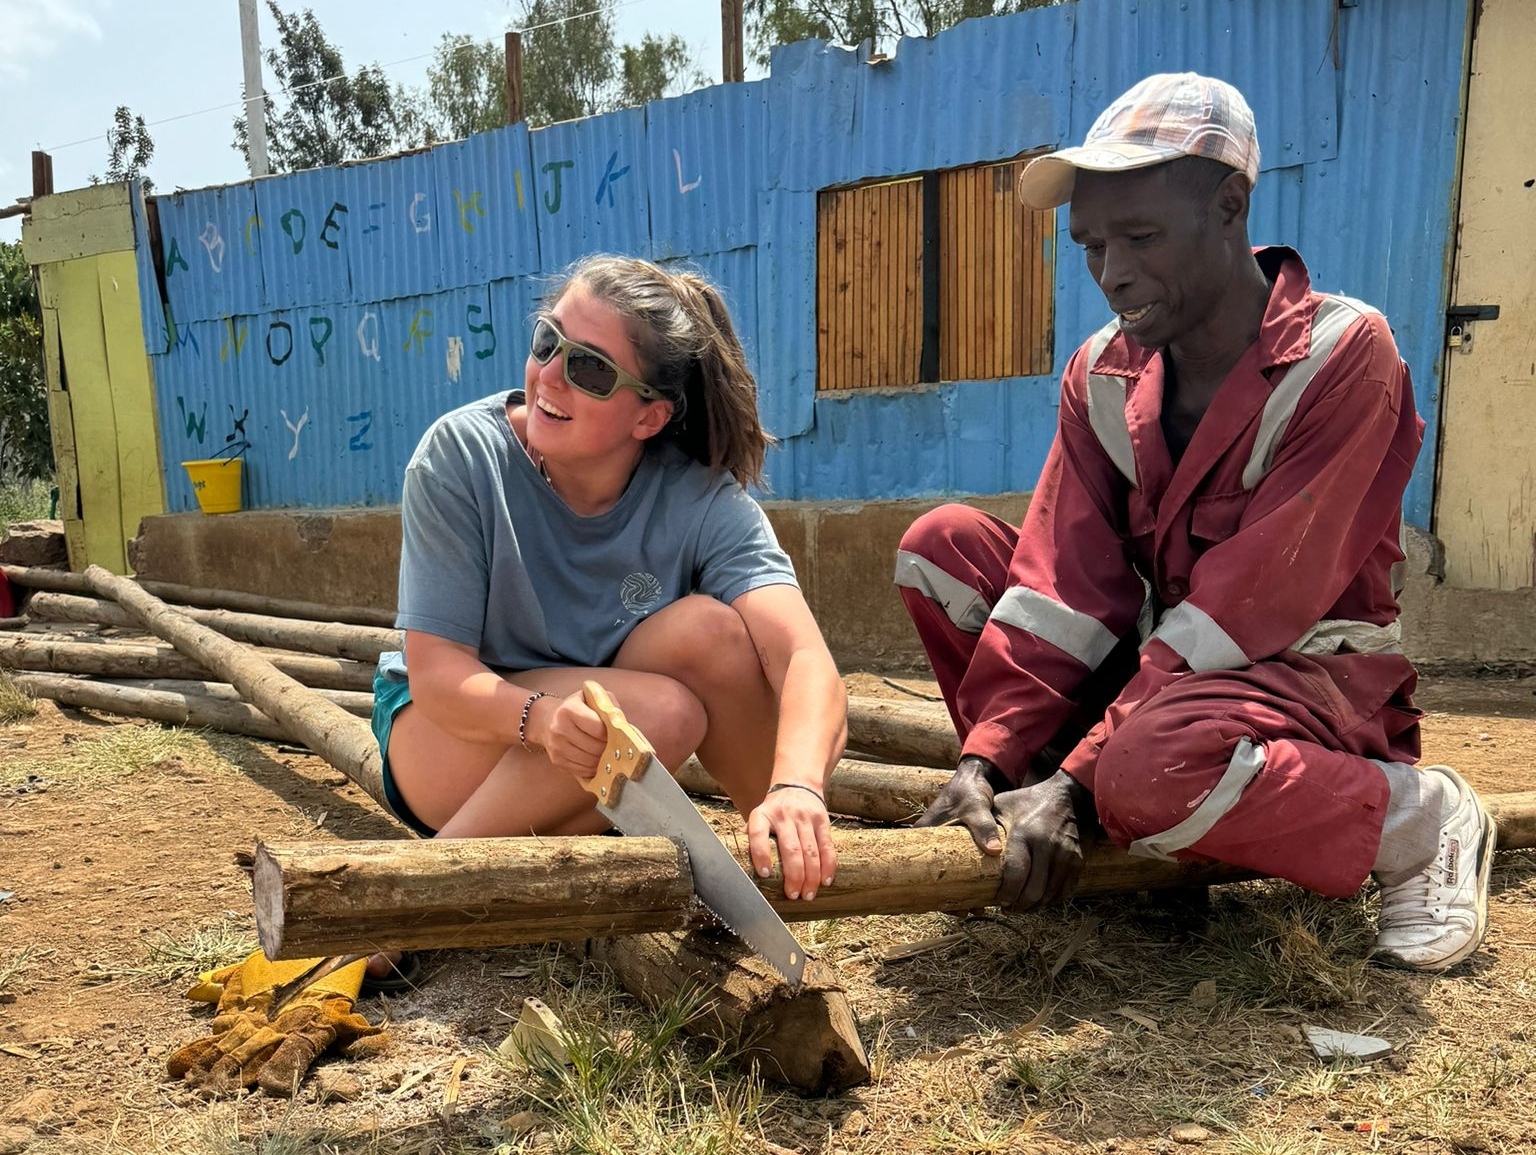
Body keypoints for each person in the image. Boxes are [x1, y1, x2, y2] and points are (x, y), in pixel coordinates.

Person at [895, 72, 1494, 973]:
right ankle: (1080, 824)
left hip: (1300, 672)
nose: (1112, 273)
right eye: (1091, 244)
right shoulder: (1100, 371)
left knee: (1145, 768)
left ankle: (1416, 819)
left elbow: (1245, 607)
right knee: (941, 551)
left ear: (1229, 206)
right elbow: (1063, 583)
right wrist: (989, 760)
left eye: (1140, 237)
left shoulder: (1343, 355)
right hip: (1166, 679)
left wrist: (1084, 770)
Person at [368, 254, 847, 985]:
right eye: (546, 342)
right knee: (658, 711)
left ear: (650, 415)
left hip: (591, 743)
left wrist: (799, 787)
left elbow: (804, 658)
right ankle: (405, 902)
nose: (551, 374)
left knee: (712, 634)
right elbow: (437, 678)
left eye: (590, 370)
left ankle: (783, 871)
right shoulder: (461, 456)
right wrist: (542, 720)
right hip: (452, 737)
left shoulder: (700, 500)